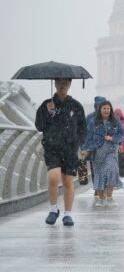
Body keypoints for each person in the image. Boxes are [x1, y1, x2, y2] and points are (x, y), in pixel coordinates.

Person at [35, 78, 86, 227]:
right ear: (55, 84)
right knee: (53, 177)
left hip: (70, 149)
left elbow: (82, 128)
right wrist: (48, 112)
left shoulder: (76, 106)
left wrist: (80, 145)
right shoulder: (47, 104)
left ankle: (68, 214)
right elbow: (39, 126)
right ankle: (53, 209)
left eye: (65, 83)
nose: (62, 86)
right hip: (52, 148)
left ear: (70, 85)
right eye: (59, 83)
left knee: (68, 181)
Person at [83, 101, 124, 207]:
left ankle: (110, 197)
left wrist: (113, 139)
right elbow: (88, 137)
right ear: (100, 110)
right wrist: (85, 149)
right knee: (99, 174)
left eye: (108, 108)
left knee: (113, 170)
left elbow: (121, 134)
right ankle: (101, 198)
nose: (106, 110)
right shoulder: (93, 122)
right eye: (104, 108)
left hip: (111, 151)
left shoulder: (115, 121)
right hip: (97, 152)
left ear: (111, 110)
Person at [81, 96, 106, 200]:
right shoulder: (89, 118)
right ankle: (97, 188)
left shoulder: (109, 117)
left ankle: (101, 188)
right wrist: (83, 147)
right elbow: (84, 134)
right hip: (93, 148)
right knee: (94, 168)